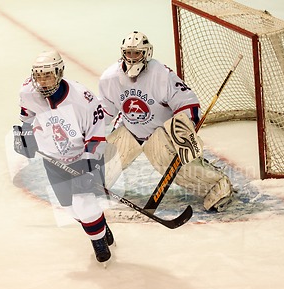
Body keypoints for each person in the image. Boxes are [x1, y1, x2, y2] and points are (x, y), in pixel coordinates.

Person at [98, 31, 233, 211]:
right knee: (100, 169)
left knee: (179, 169)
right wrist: (86, 130)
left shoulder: (161, 74)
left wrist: (184, 131)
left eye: (136, 53)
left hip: (159, 134)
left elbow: (187, 102)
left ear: (146, 53)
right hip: (130, 130)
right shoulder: (110, 78)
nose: (132, 58)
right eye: (128, 53)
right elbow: (104, 112)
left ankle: (218, 184)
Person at [14, 50, 114, 264]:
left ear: (59, 73)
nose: (42, 81)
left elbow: (97, 137)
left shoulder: (82, 99)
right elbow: (27, 118)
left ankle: (99, 244)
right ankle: (100, 225)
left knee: (84, 204)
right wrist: (25, 136)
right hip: (53, 159)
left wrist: (88, 167)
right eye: (38, 76)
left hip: (84, 157)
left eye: (47, 75)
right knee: (70, 209)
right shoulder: (27, 92)